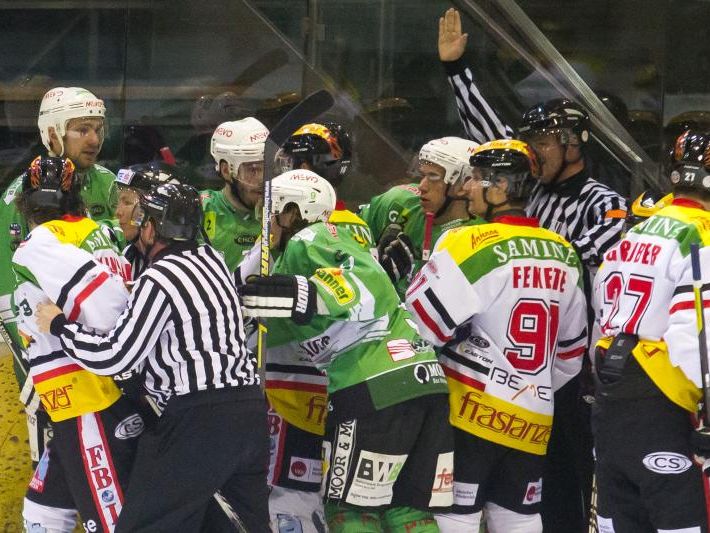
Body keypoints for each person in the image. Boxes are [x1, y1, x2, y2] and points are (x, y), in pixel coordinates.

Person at [36, 183, 269, 532]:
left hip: (199, 421)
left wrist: (60, 326)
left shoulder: (160, 277)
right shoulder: (215, 263)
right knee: (235, 527)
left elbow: (117, 356)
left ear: (153, 226)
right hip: (250, 413)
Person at [240, 169, 453, 533]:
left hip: (373, 386)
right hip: (423, 381)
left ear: (292, 210)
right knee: (407, 510)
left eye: (270, 210)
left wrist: (305, 295)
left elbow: (363, 283)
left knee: (348, 510)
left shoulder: (312, 236)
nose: (266, 220)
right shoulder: (293, 257)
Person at [405, 140, 587, 532]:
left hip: (469, 418)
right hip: (534, 420)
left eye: (475, 179)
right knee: (519, 519)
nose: (467, 187)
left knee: (456, 517)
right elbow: (571, 356)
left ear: (501, 188)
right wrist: (527, 389)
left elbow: (419, 330)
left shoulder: (466, 244)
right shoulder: (564, 253)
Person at [13, 156, 141, 533]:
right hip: (90, 396)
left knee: (112, 522)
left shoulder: (42, 241)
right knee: (43, 511)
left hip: (88, 397)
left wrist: (108, 346)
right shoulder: (100, 231)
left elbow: (108, 306)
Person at [591, 130, 710, 532]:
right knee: (679, 523)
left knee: (617, 521)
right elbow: (696, 336)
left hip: (611, 391)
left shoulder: (637, 230)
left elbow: (600, 306)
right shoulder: (702, 235)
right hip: (663, 399)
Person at [0, 86, 118, 469]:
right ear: (52, 134)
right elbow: (9, 286)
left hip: (103, 336)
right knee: (57, 448)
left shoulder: (107, 183)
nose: (94, 139)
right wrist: (28, 358)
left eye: (97, 128)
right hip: (50, 341)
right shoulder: (22, 197)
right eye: (81, 129)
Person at [360, 136, 485, 295]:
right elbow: (344, 237)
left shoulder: (478, 238)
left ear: (463, 184)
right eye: (422, 175)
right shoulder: (398, 202)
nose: (422, 186)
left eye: (433, 177)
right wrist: (370, 263)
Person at [202, 117, 268, 271]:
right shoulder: (200, 209)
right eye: (252, 169)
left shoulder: (282, 215)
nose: (262, 180)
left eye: (268, 168)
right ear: (226, 171)